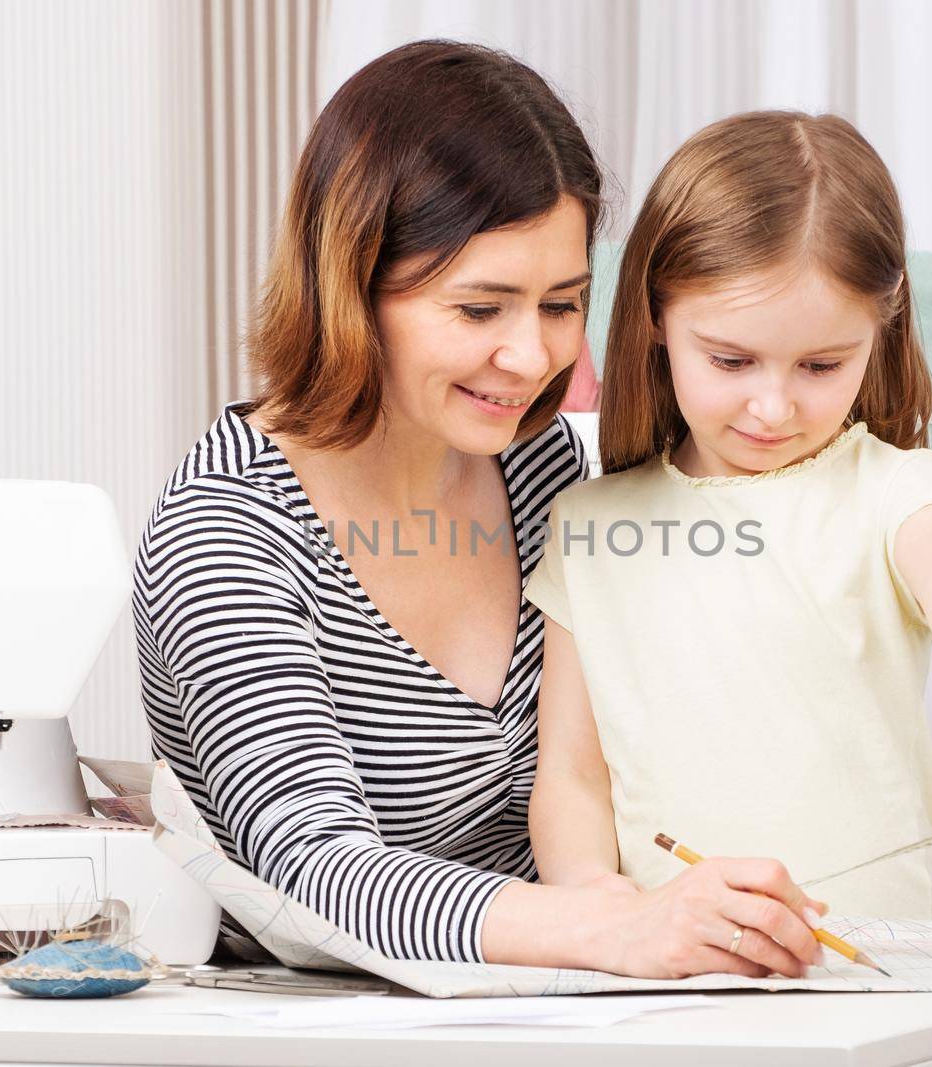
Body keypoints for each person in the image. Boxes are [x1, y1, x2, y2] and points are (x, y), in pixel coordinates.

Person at [134, 44, 825, 979]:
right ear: (352, 284)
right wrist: (614, 930)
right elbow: (316, 868)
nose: (531, 357)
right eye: (479, 309)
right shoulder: (224, 528)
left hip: (578, 1010)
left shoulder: (543, 469)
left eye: (561, 304)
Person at [526, 111, 932, 930]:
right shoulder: (588, 524)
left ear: (879, 331)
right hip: (680, 979)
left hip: (889, 965)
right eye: (731, 359)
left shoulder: (892, 488)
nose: (774, 405)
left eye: (822, 365)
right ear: (654, 319)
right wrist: (590, 898)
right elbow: (572, 773)